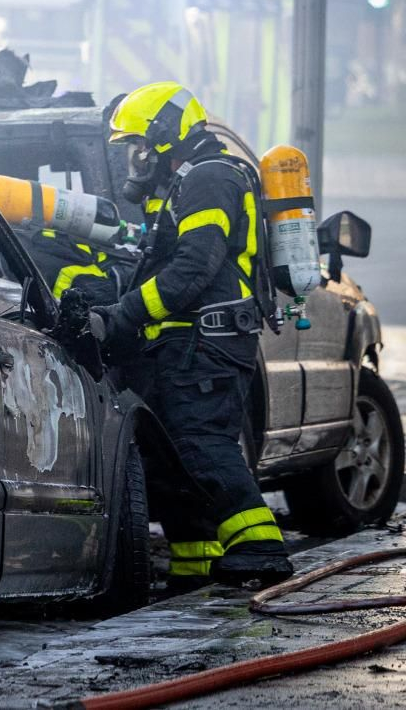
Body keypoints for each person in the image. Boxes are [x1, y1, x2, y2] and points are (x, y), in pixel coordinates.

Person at [90, 81, 292, 588]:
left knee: (200, 445)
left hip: (207, 342)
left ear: (163, 136)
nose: (133, 161)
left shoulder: (210, 178)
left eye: (137, 147)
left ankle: (261, 548)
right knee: (174, 461)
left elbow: (193, 270)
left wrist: (121, 316)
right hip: (184, 344)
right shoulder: (185, 185)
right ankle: (195, 565)